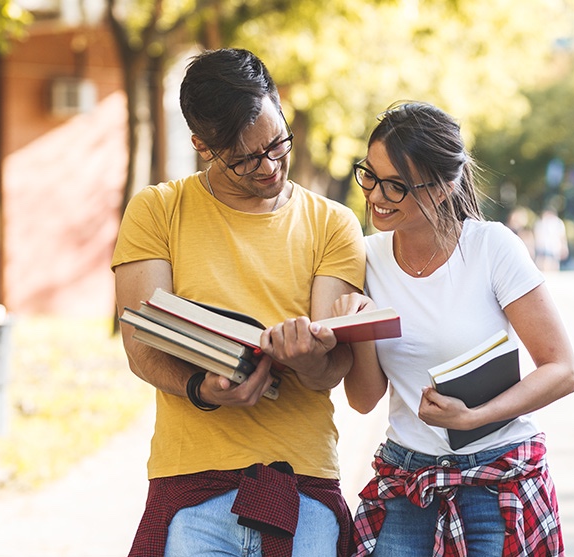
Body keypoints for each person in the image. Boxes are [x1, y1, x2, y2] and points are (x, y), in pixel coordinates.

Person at [112, 48, 365, 557]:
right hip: (192, 488)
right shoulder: (157, 210)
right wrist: (200, 388)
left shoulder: (333, 223)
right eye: (247, 159)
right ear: (202, 146)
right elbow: (141, 344)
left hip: (301, 482)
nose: (270, 166)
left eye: (276, 143)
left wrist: (307, 357)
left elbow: (331, 372)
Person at [333, 102, 574, 556]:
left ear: (444, 187)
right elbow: (363, 399)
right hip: (407, 483)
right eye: (369, 175)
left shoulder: (491, 248)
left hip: (494, 483)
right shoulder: (365, 258)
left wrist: (474, 417)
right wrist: (360, 328)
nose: (376, 196)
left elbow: (562, 369)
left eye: (397, 186)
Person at [533, 207, 569, 271]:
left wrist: (563, 247)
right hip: (542, 246)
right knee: (542, 262)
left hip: (554, 246)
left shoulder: (558, 223)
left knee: (553, 263)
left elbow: (562, 236)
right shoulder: (540, 223)